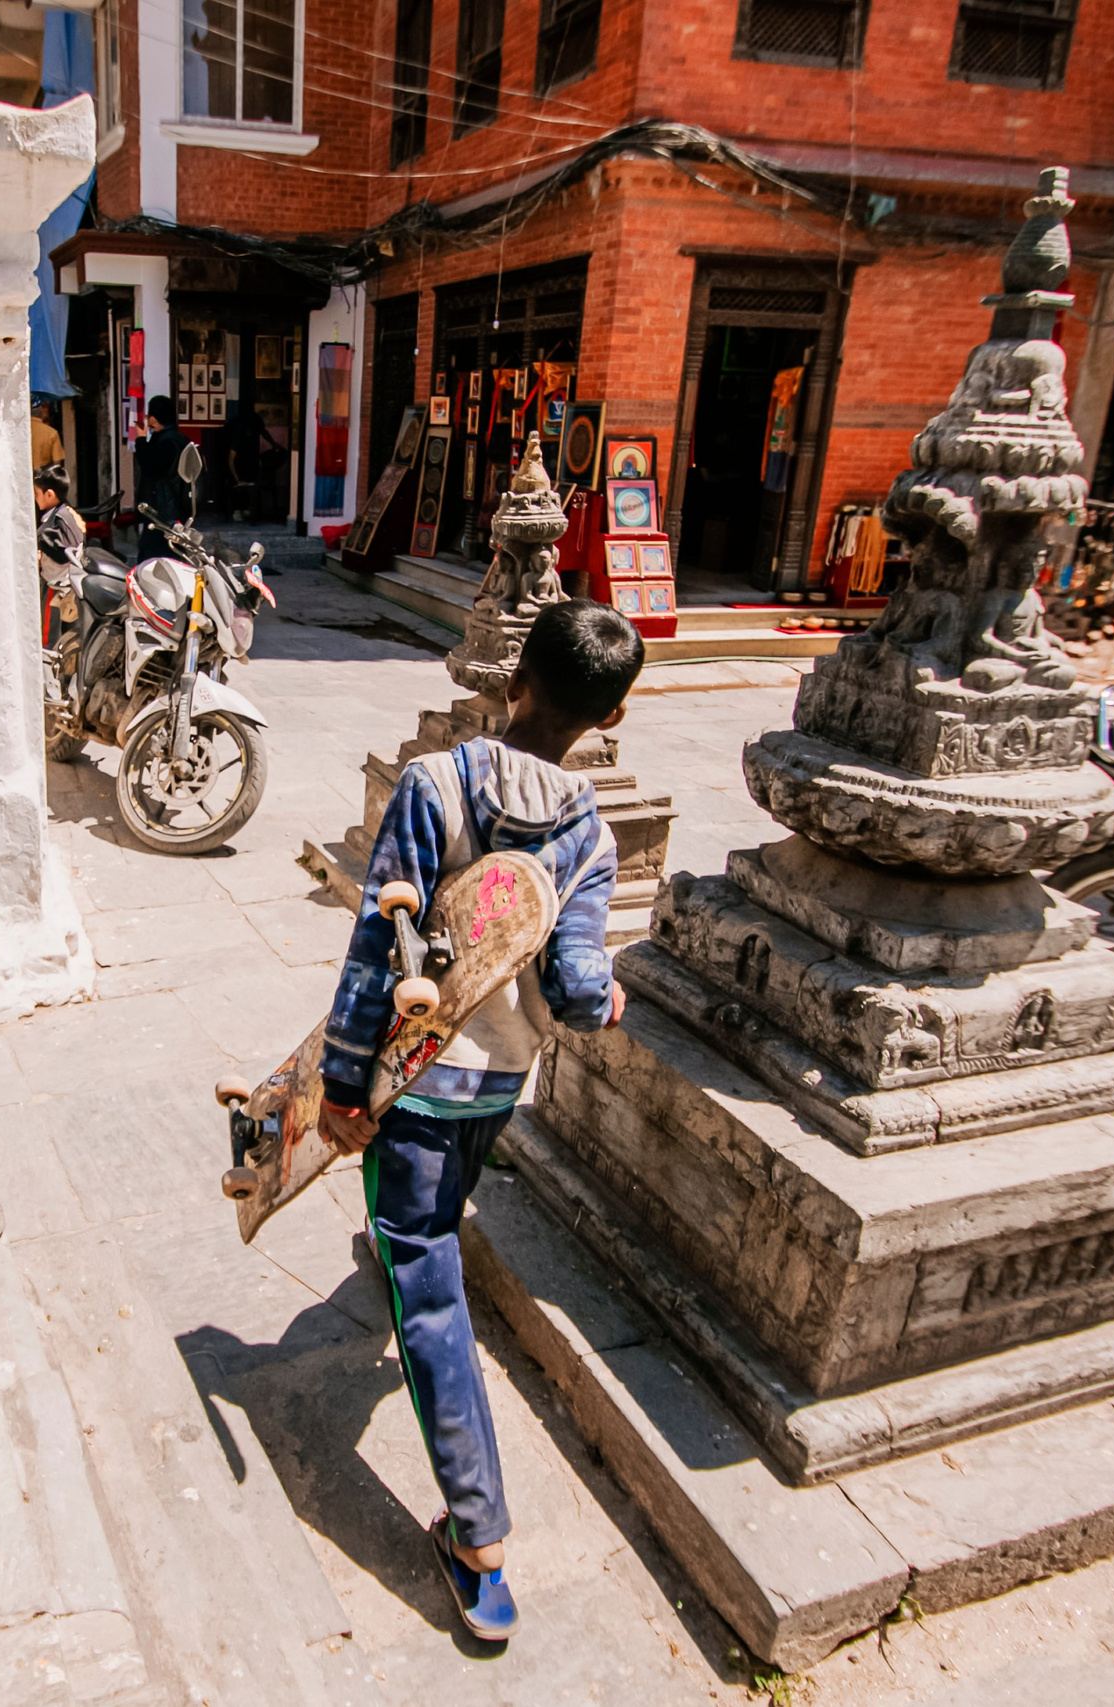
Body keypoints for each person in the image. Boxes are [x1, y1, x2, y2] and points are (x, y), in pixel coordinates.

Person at [316, 598, 645, 1642]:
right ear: (612, 713)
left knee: (427, 1284)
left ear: (513, 681)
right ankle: (402, 1235)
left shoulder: (435, 784)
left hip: (411, 1077)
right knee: (434, 1209)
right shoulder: (589, 829)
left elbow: (380, 955)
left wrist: (335, 1086)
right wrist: (605, 1001)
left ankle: (478, 1538)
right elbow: (582, 979)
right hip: (500, 1078)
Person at [132, 396, 195, 561]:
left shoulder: (167, 442)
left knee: (155, 559)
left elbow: (150, 467)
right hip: (177, 507)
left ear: (153, 418)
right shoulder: (180, 439)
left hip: (162, 510)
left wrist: (140, 439)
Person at [30, 398, 65, 474]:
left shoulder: (19, 431)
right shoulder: (51, 433)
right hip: (42, 479)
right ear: (41, 411)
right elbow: (57, 464)